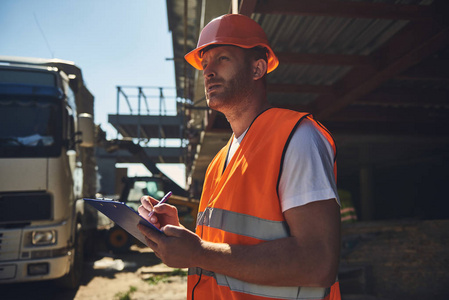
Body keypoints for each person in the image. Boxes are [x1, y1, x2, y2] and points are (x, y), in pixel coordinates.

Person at [138, 14, 341, 300]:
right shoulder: (218, 162)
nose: (208, 72)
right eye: (205, 63)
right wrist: (178, 235)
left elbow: (319, 262)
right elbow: (224, 246)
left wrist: (198, 252)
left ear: (258, 68)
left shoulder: (297, 137)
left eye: (222, 59)